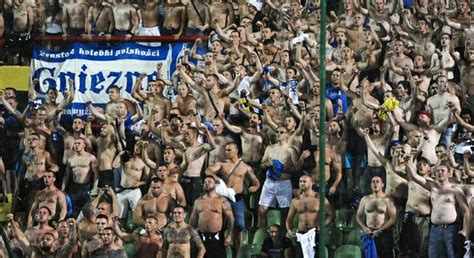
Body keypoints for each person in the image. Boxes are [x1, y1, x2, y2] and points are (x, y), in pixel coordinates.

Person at [407, 160, 470, 258]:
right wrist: (408, 160)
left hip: (451, 229)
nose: (439, 172)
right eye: (437, 171)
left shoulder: (455, 189)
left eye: (442, 171)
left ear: (449, 173)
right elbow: (415, 177)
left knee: (452, 255)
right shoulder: (432, 187)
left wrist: (465, 230)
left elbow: (466, 210)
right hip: (435, 229)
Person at [286, 175, 334, 258]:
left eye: (304, 181)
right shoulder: (295, 200)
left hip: (315, 232)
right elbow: (289, 219)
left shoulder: (319, 198)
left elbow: (331, 213)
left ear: (311, 183)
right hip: (301, 233)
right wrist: (289, 231)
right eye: (300, 181)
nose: (302, 183)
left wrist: (323, 225)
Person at [189, 175, 234, 258]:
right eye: (205, 182)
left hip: (217, 239)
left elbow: (231, 219)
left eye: (209, 182)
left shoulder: (222, 200)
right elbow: (192, 221)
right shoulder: (198, 201)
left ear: (215, 184)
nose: (206, 184)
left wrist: (229, 235)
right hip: (201, 238)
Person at [356, 176, 397, 258]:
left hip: (384, 233)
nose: (375, 183)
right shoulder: (365, 199)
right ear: (371, 185)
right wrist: (364, 227)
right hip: (369, 233)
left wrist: (380, 230)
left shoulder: (388, 199)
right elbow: (358, 216)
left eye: (377, 181)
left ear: (382, 185)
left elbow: (393, 218)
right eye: (373, 181)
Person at [64, 137, 99, 217]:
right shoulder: (70, 159)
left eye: (79, 143)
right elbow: (66, 175)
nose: (76, 145)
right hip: (74, 187)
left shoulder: (91, 158)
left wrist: (95, 188)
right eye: (75, 143)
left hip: (86, 186)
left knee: (87, 210)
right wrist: (63, 188)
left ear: (84, 145)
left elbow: (96, 175)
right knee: (73, 210)